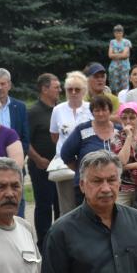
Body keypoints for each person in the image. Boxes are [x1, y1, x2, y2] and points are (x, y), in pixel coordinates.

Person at [59, 94, 121, 200]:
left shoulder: (119, 131)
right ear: (92, 112)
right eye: (97, 110)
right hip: (87, 187)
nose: (101, 114)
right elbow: (66, 154)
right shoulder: (82, 130)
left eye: (104, 110)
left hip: (114, 187)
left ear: (110, 111)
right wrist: (81, 169)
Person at [26, 74, 61, 247]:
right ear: (44, 89)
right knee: (44, 206)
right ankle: (44, 243)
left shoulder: (60, 110)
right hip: (41, 167)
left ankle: (61, 241)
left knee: (61, 205)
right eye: (56, 87)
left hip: (61, 166)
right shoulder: (33, 112)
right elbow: (25, 140)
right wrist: (38, 159)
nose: (60, 90)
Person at [49, 72, 91, 215]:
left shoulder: (91, 108)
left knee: (88, 204)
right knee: (66, 207)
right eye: (69, 89)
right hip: (64, 163)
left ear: (84, 91)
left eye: (77, 89)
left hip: (87, 163)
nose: (73, 93)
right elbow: (54, 135)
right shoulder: (58, 110)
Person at [0, 70, 28, 159]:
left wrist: (18, 158)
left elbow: (25, 138)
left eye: (3, 84)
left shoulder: (20, 107)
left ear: (9, 85)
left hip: (14, 161)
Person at [107, 24, 132, 93]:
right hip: (114, 67)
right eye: (116, 33)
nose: (118, 34)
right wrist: (120, 54)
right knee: (114, 86)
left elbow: (125, 55)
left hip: (124, 67)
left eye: (120, 32)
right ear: (114, 33)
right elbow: (110, 55)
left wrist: (115, 55)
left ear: (122, 33)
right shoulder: (112, 42)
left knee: (124, 86)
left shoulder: (126, 42)